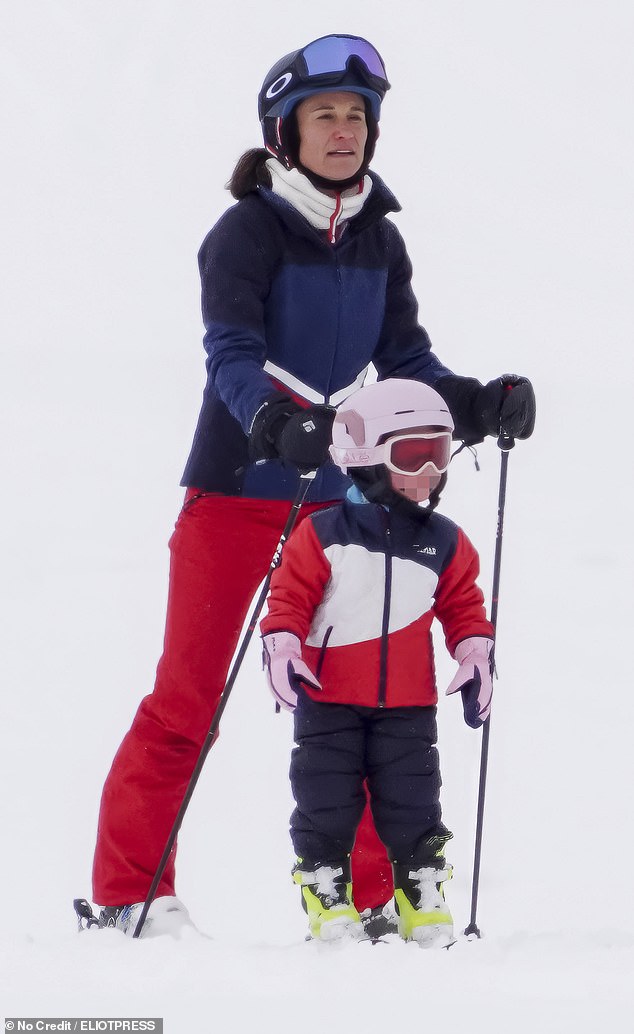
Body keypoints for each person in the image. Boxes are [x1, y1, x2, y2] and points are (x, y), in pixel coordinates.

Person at [89, 33, 535, 937]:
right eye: (325, 114)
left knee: (363, 696)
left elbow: (405, 359)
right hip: (233, 494)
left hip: (343, 510)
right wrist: (270, 422)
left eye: (358, 116)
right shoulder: (245, 232)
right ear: (283, 132)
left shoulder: (379, 240)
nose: (345, 130)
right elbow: (232, 354)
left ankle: (373, 898)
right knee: (188, 698)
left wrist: (479, 403)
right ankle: (127, 892)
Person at [260, 378, 495, 946]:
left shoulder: (445, 542)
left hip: (408, 707)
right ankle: (326, 887)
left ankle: (421, 890)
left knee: (414, 801)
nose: (431, 472)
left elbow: (464, 604)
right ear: (363, 459)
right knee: (326, 800)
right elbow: (287, 600)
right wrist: (283, 645)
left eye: (439, 455)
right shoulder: (321, 535)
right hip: (328, 699)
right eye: (414, 456)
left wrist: (475, 651)